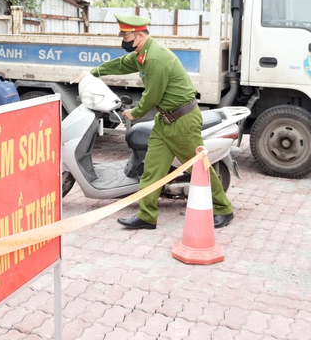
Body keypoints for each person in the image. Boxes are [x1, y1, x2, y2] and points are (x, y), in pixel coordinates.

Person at [77, 14, 234, 230]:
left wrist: (136, 112)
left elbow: (153, 95)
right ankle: (146, 216)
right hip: (165, 121)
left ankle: (224, 209)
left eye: (127, 37)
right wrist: (93, 73)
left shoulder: (155, 59)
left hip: (183, 121)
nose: (123, 41)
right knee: (152, 169)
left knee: (198, 168)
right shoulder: (143, 54)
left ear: (139, 36)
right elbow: (122, 64)